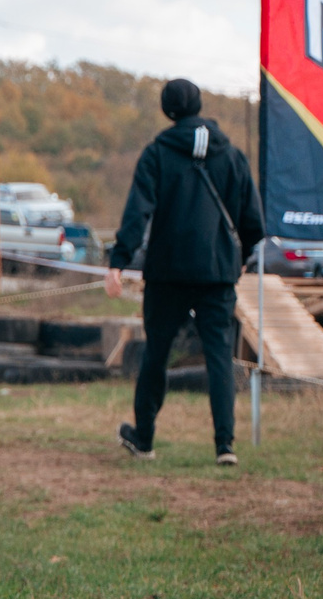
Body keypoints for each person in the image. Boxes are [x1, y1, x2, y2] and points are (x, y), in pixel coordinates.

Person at [106, 77, 263, 464]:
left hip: (167, 272)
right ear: (199, 105)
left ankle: (144, 439)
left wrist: (119, 261)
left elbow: (138, 212)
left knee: (156, 354)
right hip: (218, 272)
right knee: (219, 357)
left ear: (167, 111)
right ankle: (225, 446)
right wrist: (242, 255)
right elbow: (252, 219)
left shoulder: (157, 153)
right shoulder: (232, 155)